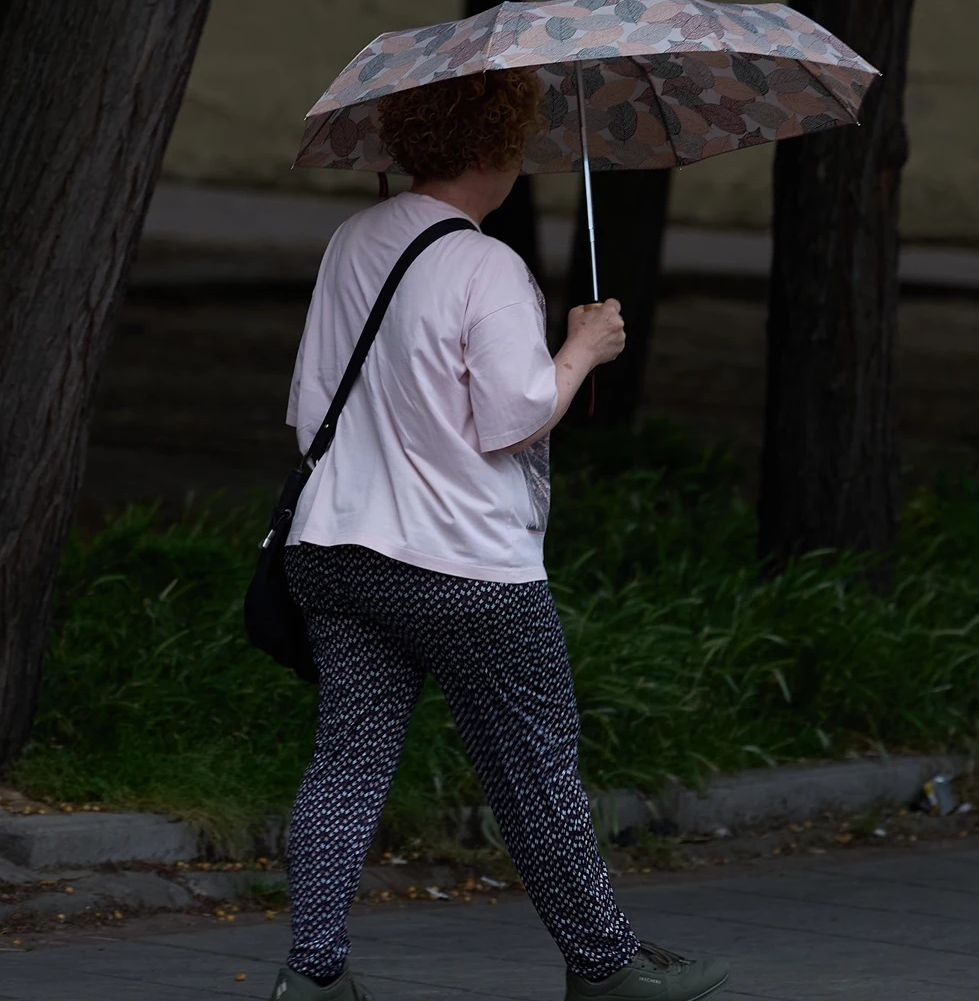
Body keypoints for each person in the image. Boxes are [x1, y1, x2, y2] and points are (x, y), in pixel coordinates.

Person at [272, 67, 731, 1001]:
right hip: (466, 566)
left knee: (348, 763)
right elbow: (514, 416)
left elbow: (309, 403)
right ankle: (607, 968)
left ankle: (311, 979)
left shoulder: (352, 242)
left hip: (335, 551)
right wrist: (583, 350)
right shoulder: (486, 265)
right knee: (535, 763)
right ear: (493, 150)